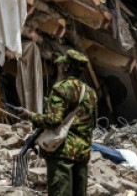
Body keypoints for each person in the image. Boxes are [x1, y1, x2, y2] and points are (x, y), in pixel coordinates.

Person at [18, 49, 98, 196]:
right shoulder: (91, 93)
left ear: (66, 67)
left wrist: (30, 115)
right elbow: (93, 124)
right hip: (82, 154)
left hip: (62, 154)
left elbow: (53, 120)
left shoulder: (61, 89)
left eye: (63, 65)